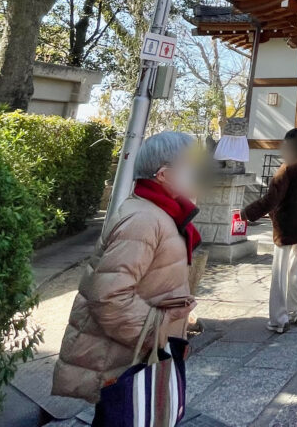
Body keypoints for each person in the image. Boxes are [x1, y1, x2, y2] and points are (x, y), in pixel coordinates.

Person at [52, 132, 200, 409]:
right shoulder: (143, 220)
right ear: (164, 175)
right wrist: (157, 331)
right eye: (188, 166)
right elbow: (109, 297)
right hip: (122, 359)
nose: (195, 173)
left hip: (134, 353)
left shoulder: (160, 212)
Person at [242, 127, 297, 333]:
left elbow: (272, 199)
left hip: (286, 226)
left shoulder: (288, 167)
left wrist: (247, 212)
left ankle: (279, 319)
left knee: (279, 274)